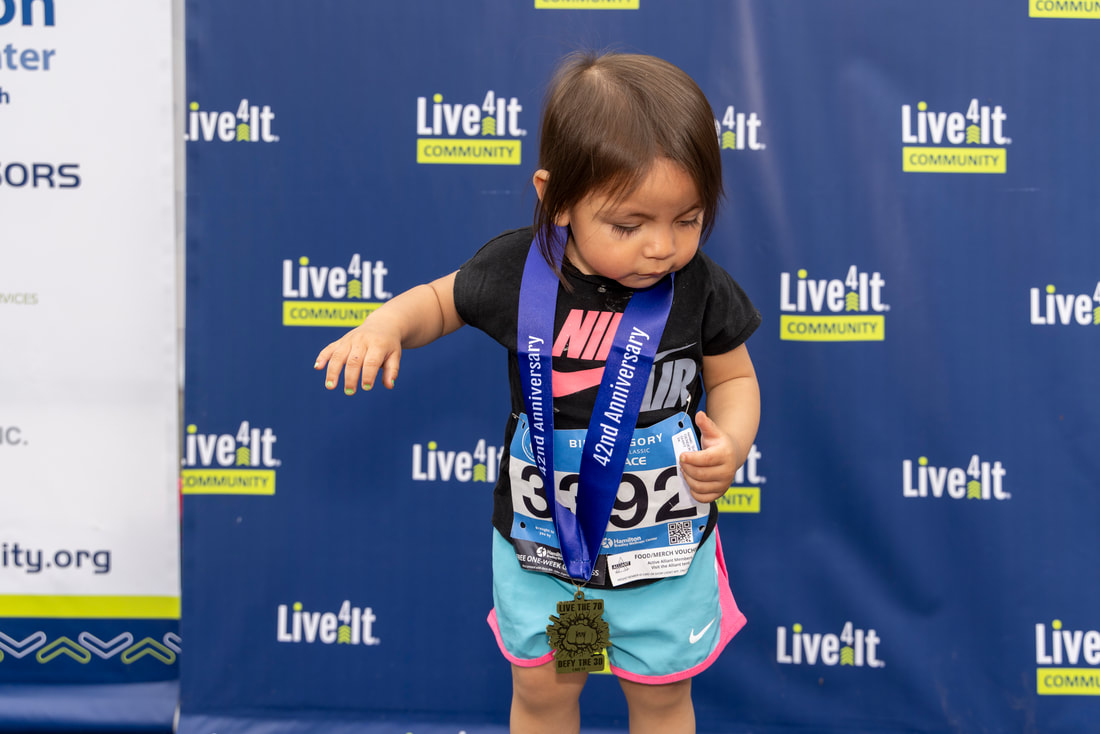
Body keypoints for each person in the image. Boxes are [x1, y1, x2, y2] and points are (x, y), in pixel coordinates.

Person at [315, 50, 761, 734]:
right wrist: (385, 327)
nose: (662, 247)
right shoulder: (517, 271)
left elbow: (734, 377)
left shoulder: (699, 287)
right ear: (557, 201)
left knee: (661, 700)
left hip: (662, 561)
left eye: (688, 219)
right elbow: (437, 301)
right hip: (549, 560)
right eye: (629, 224)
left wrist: (732, 440)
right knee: (547, 694)